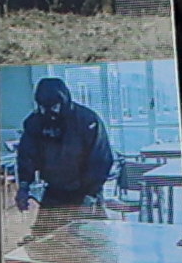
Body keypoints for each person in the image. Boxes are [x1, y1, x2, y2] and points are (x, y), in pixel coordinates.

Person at [14, 71, 117, 211]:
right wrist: (24, 186)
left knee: (89, 232)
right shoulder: (35, 123)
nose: (50, 114)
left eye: (55, 107)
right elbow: (26, 156)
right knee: (44, 233)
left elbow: (100, 159)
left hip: (85, 191)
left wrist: (91, 193)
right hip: (54, 191)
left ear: (64, 103)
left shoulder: (87, 121)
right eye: (44, 108)